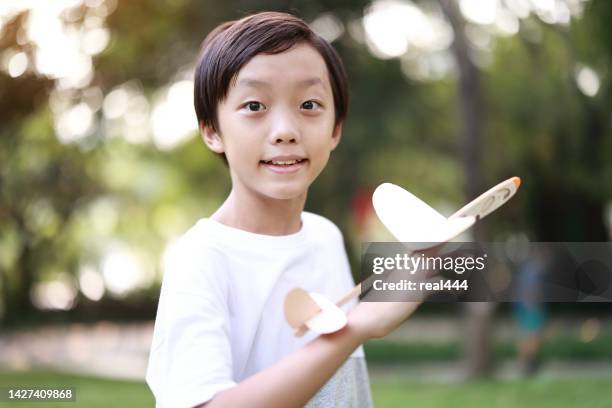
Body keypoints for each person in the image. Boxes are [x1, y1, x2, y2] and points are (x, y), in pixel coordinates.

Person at [146, 11, 423, 408]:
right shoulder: (202, 259)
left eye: (309, 104)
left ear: (335, 128)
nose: (285, 130)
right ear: (211, 130)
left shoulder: (325, 237)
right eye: (255, 105)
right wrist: (355, 328)